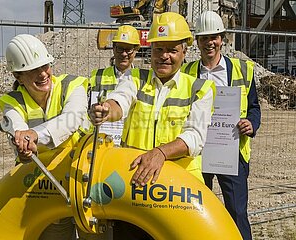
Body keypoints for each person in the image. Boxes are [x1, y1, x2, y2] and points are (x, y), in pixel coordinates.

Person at [89, 12, 215, 239]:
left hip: (178, 191)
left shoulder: (199, 89)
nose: (164, 56)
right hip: (135, 184)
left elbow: (195, 137)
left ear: (184, 52)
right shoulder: (136, 78)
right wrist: (108, 109)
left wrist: (161, 153)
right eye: (158, 49)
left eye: (172, 50)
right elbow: (121, 100)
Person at [0, 34, 89, 240]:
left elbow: (71, 120)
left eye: (45, 66)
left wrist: (33, 135)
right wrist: (23, 148)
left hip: (81, 176)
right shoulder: (13, 102)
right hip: (45, 184)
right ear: (18, 76)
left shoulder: (72, 86)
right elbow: (17, 131)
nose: (42, 74)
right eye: (32, 70)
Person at [181, 10, 261, 240]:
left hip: (231, 152)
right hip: (197, 153)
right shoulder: (187, 73)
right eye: (204, 38)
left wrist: (251, 124)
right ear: (197, 41)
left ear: (222, 38)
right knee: (196, 211)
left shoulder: (242, 69)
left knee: (236, 212)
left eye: (214, 37)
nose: (210, 43)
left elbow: (255, 107)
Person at [89, 25, 141, 145]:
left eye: (128, 49)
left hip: (126, 146)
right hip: (100, 143)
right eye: (120, 49)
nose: (124, 54)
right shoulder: (97, 77)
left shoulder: (141, 80)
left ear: (136, 50)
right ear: (113, 48)